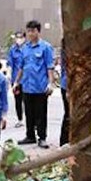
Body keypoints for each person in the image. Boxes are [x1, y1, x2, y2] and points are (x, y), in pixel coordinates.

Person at [13, 20, 55, 149]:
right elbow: (21, 67)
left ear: (38, 31)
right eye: (29, 31)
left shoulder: (45, 47)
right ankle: (30, 136)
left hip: (40, 87)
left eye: (33, 31)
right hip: (27, 86)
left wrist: (51, 83)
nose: (30, 33)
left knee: (41, 114)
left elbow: (49, 66)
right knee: (29, 113)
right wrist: (16, 82)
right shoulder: (25, 48)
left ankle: (42, 138)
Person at [7, 31, 26, 128]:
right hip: (16, 80)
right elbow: (10, 63)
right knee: (18, 100)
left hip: (27, 80)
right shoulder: (12, 50)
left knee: (28, 101)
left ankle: (33, 121)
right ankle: (20, 119)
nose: (18, 39)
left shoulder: (28, 48)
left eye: (20, 37)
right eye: (17, 37)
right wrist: (9, 74)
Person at [59, 39, 70, 147]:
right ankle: (64, 141)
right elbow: (66, 69)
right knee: (68, 113)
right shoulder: (67, 50)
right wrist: (68, 89)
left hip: (66, 85)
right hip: (67, 86)